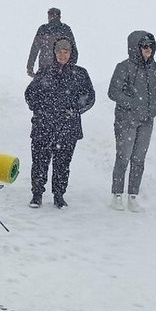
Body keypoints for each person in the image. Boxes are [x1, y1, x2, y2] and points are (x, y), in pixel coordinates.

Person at [24, 38, 95, 209]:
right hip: (44, 127)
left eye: (66, 52)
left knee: (62, 164)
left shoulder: (80, 74)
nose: (62, 55)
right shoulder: (45, 71)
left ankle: (59, 195)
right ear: (54, 53)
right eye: (59, 52)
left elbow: (90, 97)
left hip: (67, 128)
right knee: (40, 161)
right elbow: (30, 94)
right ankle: (37, 194)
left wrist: (75, 109)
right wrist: (39, 109)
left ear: (71, 54)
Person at [108, 30, 156, 212]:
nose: (148, 50)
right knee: (123, 157)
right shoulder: (123, 67)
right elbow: (113, 92)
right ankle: (117, 194)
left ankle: (133, 195)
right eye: (145, 46)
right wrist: (133, 105)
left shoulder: (154, 68)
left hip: (146, 121)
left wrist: (153, 108)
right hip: (126, 120)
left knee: (139, 159)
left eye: (151, 46)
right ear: (136, 48)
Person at [27, 7, 78, 76]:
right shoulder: (65, 29)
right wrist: (71, 65)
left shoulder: (43, 29)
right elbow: (74, 50)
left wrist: (30, 66)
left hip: (45, 66)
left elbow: (34, 49)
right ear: (60, 16)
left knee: (45, 85)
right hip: (62, 66)